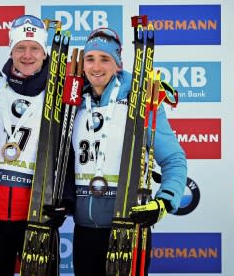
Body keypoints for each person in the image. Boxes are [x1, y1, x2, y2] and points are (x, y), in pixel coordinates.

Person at [69, 27, 187, 276]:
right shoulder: (75, 102)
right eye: (90, 59)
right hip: (84, 230)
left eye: (105, 59)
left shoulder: (140, 99)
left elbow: (174, 159)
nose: (96, 66)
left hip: (128, 228)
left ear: (118, 64)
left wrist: (165, 201)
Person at [0, 15, 71, 276]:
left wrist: (67, 200)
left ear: (44, 52)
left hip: (37, 213)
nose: (27, 55)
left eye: (34, 48)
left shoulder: (57, 93)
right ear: (11, 50)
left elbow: (69, 151)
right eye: (20, 48)